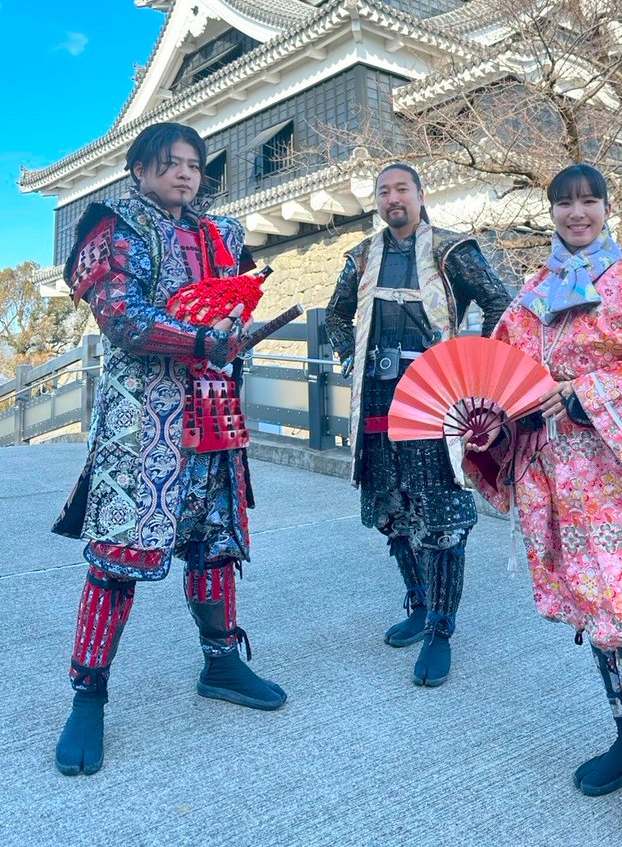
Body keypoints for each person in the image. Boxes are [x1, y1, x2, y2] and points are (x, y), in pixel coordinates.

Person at [463, 163, 622, 844]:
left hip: (621, 477)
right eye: (564, 202)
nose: (577, 212)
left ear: (607, 208)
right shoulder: (529, 298)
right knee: (596, 612)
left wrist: (582, 390)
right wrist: (491, 419)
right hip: (556, 478)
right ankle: (621, 738)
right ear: (550, 212)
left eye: (588, 200)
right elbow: (503, 376)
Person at [53, 121, 285, 778]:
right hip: (144, 417)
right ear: (139, 169)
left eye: (194, 164)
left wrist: (235, 330)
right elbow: (120, 315)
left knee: (215, 541)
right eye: (169, 163)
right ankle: (88, 694)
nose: (184, 173)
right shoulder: (114, 225)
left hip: (213, 408)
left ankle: (222, 661)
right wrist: (202, 341)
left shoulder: (224, 235)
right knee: (119, 553)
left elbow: (233, 309)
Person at [324, 163, 510, 687]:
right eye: (383, 192)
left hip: (433, 393)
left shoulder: (453, 250)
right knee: (393, 504)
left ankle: (442, 630)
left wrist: (476, 360)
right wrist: (347, 355)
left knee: (442, 509)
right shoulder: (362, 257)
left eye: (401, 189)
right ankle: (420, 603)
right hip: (379, 393)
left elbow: (501, 300)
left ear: (421, 194)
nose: (392, 199)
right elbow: (337, 317)